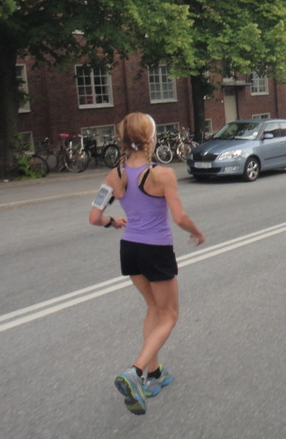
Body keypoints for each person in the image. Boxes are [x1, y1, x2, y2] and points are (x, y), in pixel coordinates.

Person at [89, 112, 205, 415]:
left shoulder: (114, 175)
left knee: (153, 308)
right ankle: (136, 371)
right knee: (169, 314)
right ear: (151, 138)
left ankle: (154, 376)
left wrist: (112, 221)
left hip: (130, 249)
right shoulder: (160, 174)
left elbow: (93, 217)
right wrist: (196, 232)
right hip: (156, 250)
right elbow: (179, 217)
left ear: (124, 138)